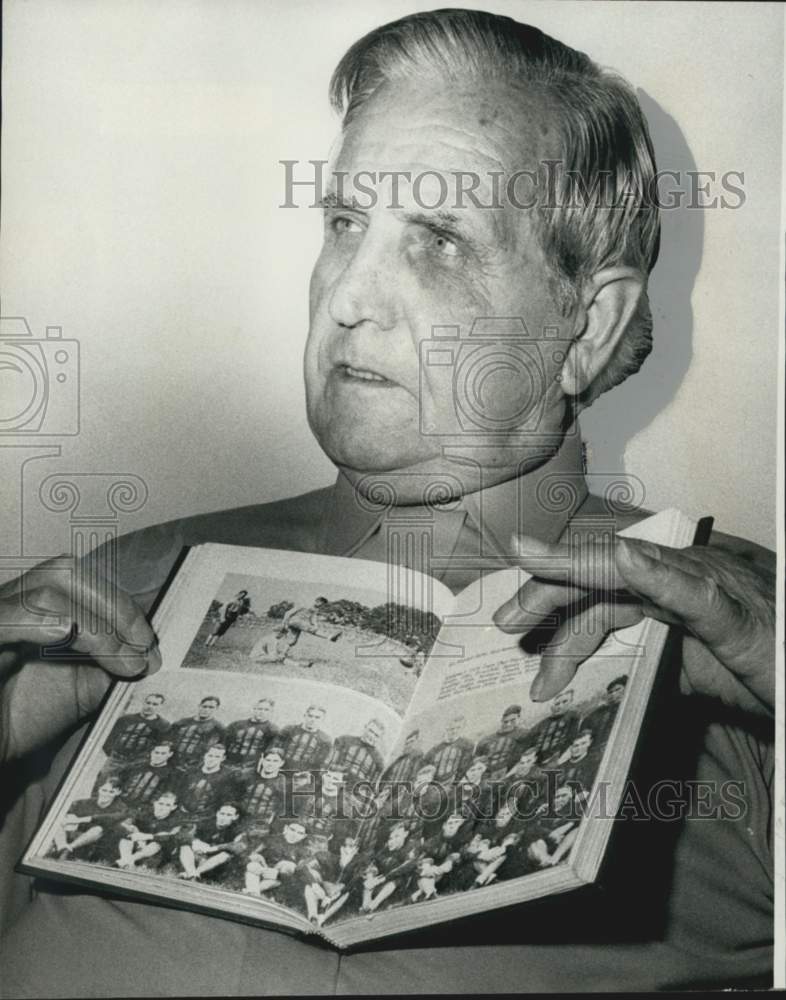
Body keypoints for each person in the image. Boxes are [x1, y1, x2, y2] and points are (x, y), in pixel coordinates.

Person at [0, 8, 775, 995]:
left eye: (438, 238)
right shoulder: (108, 603)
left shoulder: (737, 643)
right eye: (343, 224)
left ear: (590, 323)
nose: (348, 294)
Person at [100, 692, 169, 772]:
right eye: (148, 703)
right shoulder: (126, 719)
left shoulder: (163, 725)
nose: (150, 706)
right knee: (102, 781)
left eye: (155, 704)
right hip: (115, 760)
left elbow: (161, 746)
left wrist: (145, 761)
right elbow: (109, 739)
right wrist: (112, 754)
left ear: (161, 706)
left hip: (138, 765)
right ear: (143, 703)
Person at [168, 696, 225, 768]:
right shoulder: (182, 722)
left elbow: (218, 749)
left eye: (211, 707)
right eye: (204, 706)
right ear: (199, 706)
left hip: (195, 766)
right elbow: (169, 740)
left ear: (216, 709)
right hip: (172, 761)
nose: (206, 710)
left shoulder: (218, 728)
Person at [223, 698, 279, 770]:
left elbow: (268, 751)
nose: (262, 712)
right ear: (254, 709)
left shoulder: (272, 729)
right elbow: (224, 743)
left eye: (266, 710)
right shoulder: (237, 724)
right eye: (259, 709)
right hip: (228, 763)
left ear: (271, 712)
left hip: (250, 767)